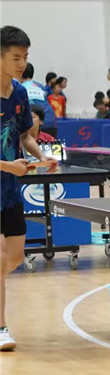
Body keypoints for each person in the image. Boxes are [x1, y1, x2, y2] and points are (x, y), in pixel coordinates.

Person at [1, 26, 58, 351]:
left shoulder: (20, 94)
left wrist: (41, 155)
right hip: (6, 174)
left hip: (9, 189)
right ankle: (1, 328)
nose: (22, 63)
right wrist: (8, 166)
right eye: (15, 57)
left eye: (25, 57)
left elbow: (24, 136)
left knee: (15, 257)